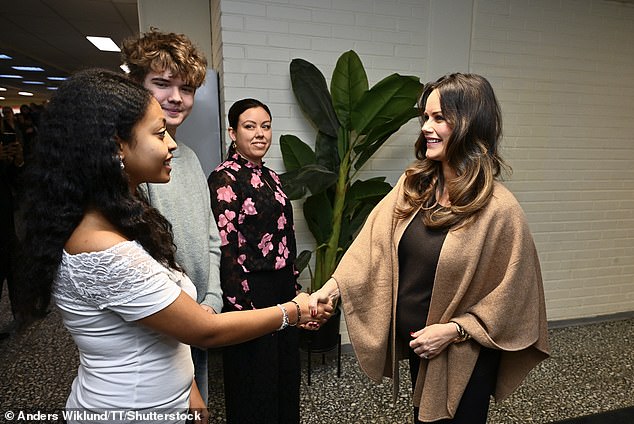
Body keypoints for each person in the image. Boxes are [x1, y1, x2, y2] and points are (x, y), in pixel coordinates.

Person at [15, 69, 330, 424]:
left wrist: (189, 390)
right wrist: (293, 311)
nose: (172, 144)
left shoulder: (124, 218)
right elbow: (202, 330)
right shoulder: (105, 250)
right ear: (117, 145)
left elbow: (161, 332)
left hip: (167, 396)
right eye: (159, 132)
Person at [310, 73, 550, 423]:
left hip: (463, 356)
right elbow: (370, 246)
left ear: (469, 125)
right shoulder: (415, 185)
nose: (426, 127)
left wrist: (454, 330)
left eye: (439, 118)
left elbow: (516, 296)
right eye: (426, 117)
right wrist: (328, 291)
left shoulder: (500, 209)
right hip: (420, 347)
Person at [120, 29, 222, 406]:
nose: (176, 98)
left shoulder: (190, 158)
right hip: (157, 324)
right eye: (161, 84)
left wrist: (211, 299)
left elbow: (212, 237)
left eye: (187, 88)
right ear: (135, 86)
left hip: (201, 317)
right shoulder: (129, 166)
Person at [207, 98, 302, 423]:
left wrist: (295, 288)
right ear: (233, 132)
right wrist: (239, 304)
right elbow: (224, 246)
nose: (260, 134)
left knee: (285, 374)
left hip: (283, 288)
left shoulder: (274, 177)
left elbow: (286, 234)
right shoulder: (224, 178)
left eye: (266, 126)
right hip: (250, 292)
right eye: (250, 126)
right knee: (254, 380)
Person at [0, 110, 25, 338]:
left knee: (15, 266)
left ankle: (22, 312)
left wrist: (16, 160)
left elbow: (18, 179)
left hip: (6, 217)